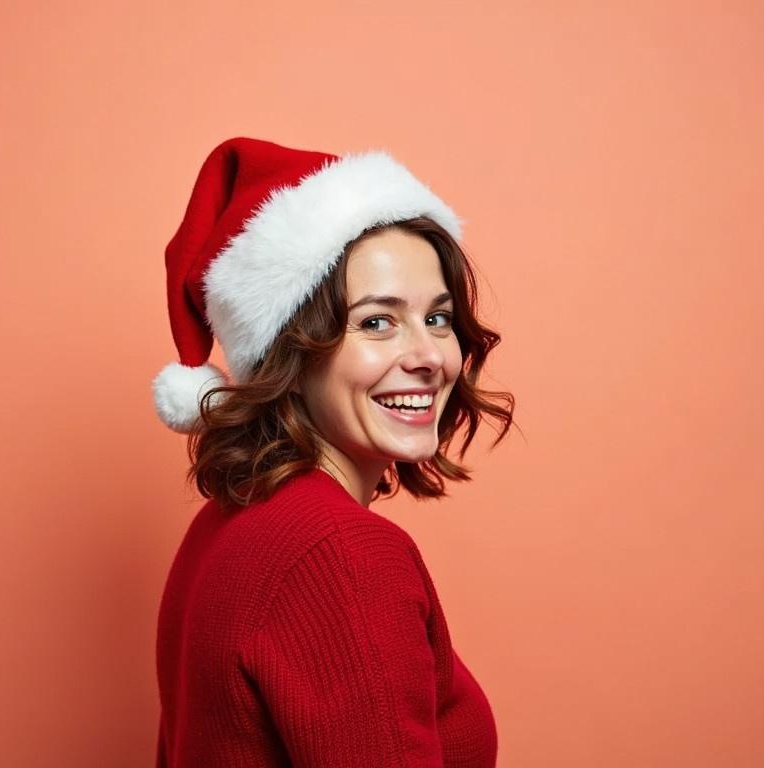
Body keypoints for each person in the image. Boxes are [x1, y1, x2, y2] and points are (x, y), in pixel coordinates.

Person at [151, 137, 514, 767]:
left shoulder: (230, 523)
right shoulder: (340, 555)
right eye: (376, 322)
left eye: (437, 318)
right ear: (289, 353)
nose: (429, 355)